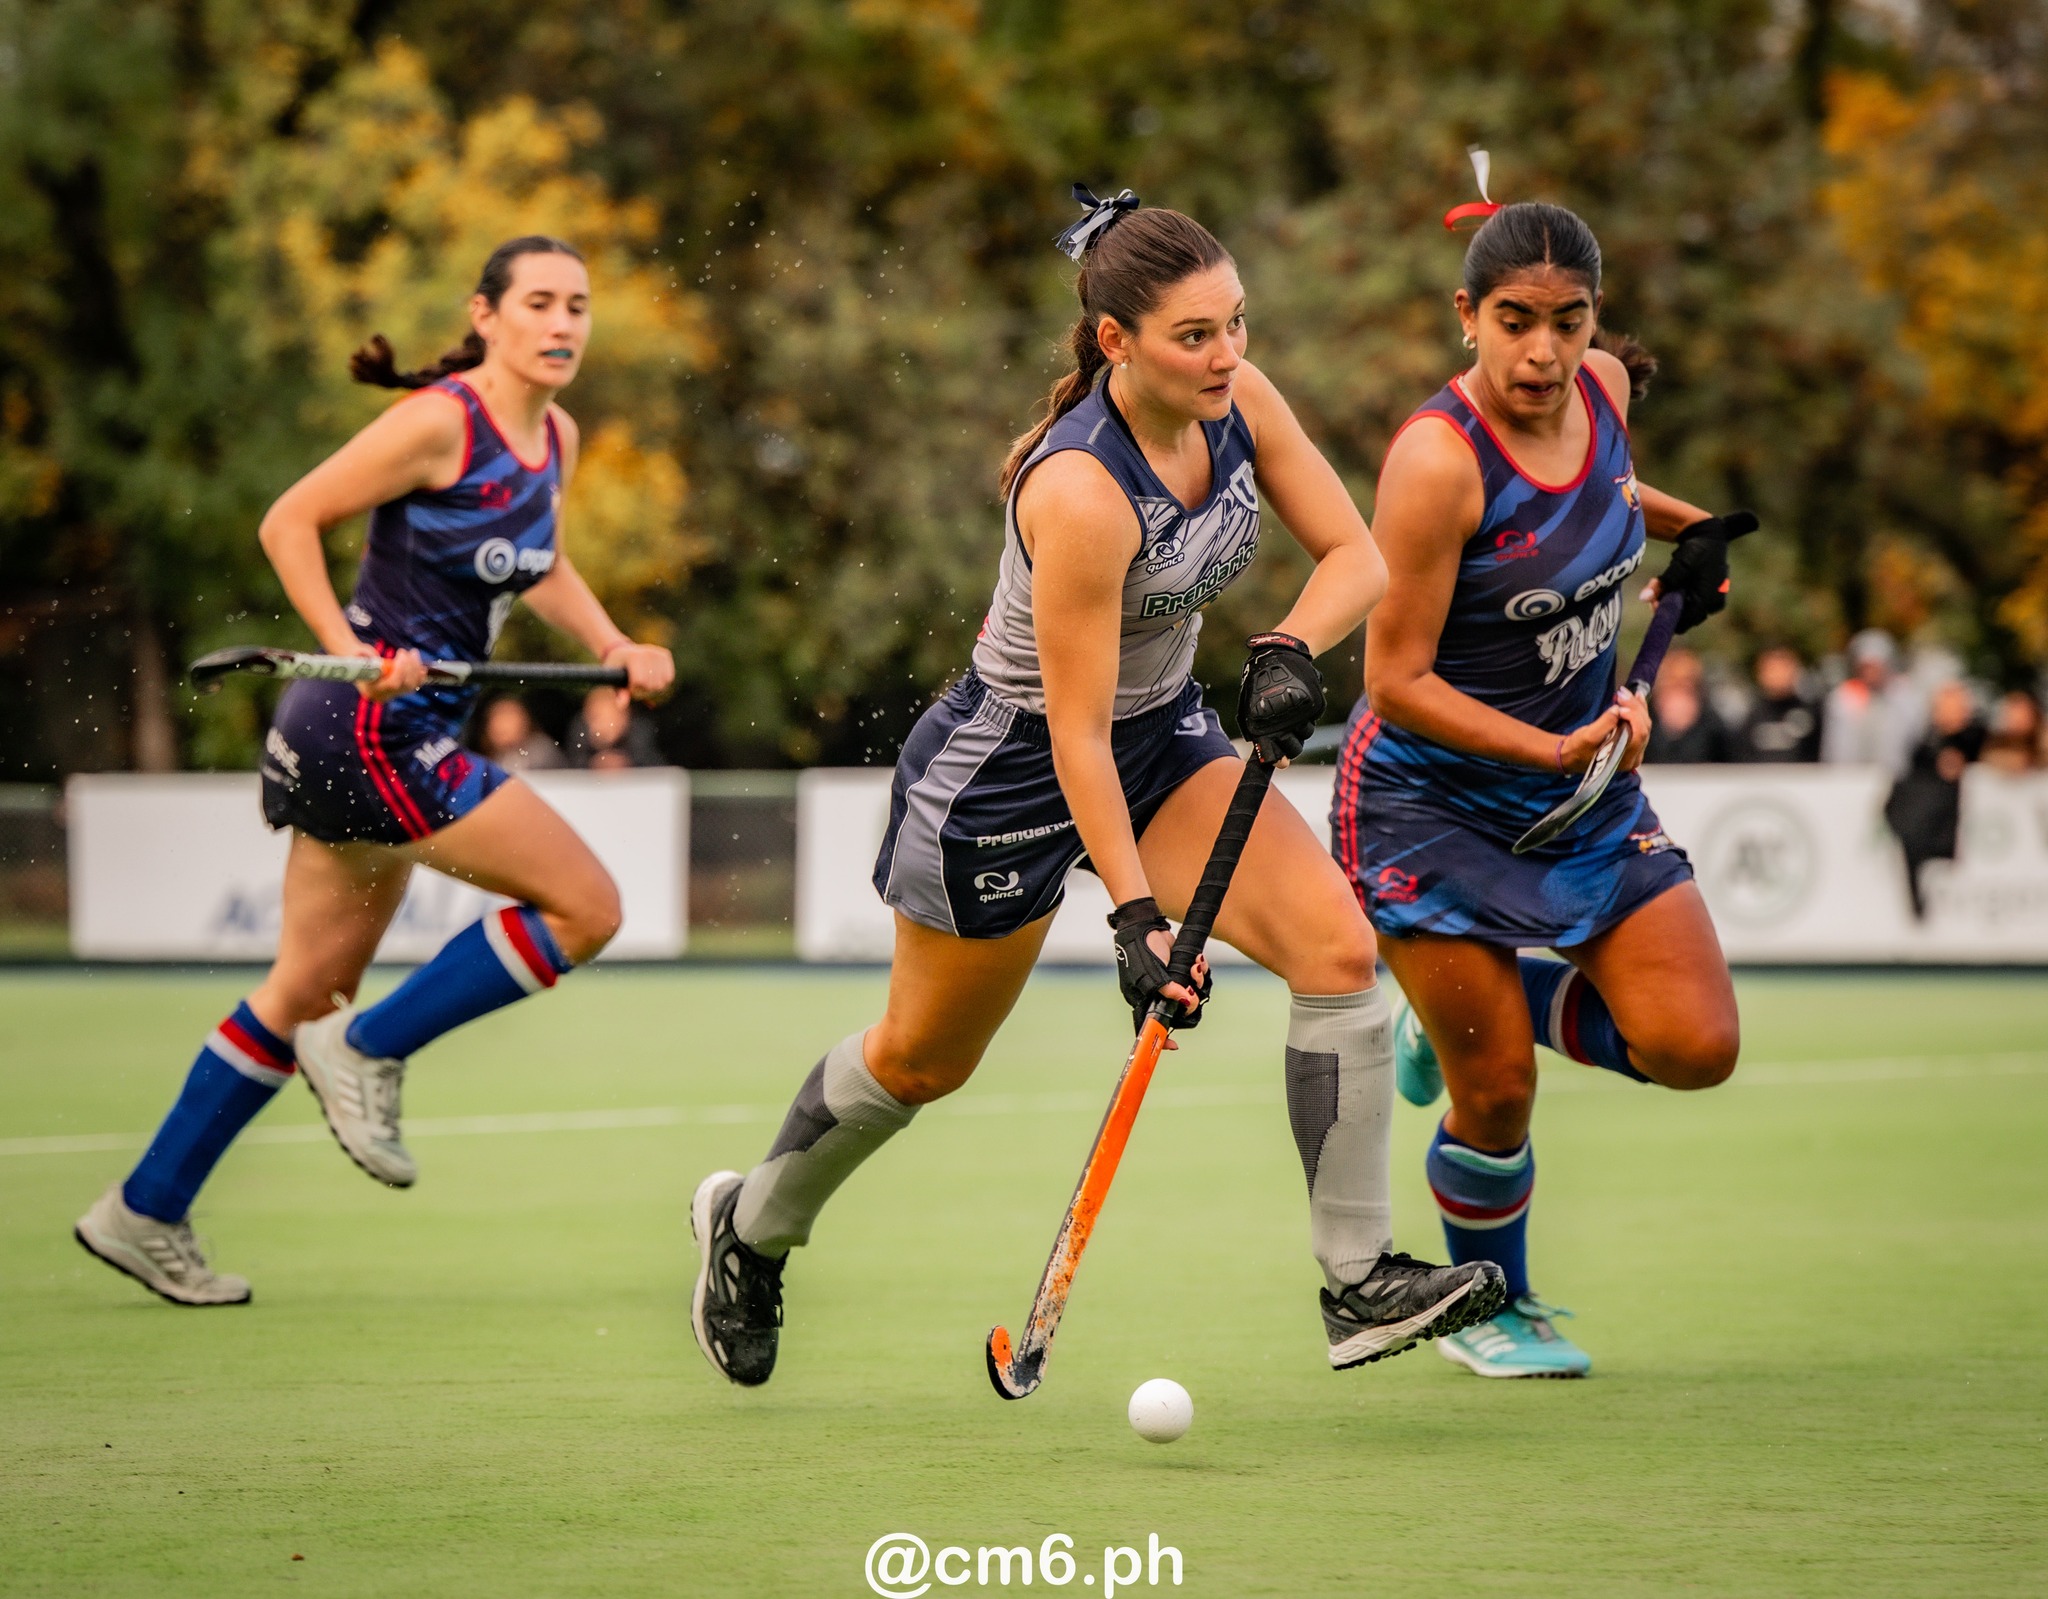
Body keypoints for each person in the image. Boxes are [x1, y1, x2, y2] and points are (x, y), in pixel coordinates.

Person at [688, 188, 1503, 1388]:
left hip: (1161, 738)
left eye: (1233, 323)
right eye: (1193, 335)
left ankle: (1356, 1280)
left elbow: (1355, 558)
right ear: (1115, 341)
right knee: (921, 1062)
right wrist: (1136, 921)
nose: (1225, 353)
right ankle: (749, 1229)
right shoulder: (1077, 489)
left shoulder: (1239, 400)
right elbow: (1070, 736)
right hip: (1009, 768)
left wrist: (1282, 647)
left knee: (1335, 952)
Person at [74, 237, 675, 1305]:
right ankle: (367, 1048)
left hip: (368, 734)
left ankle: (146, 1206)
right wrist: (345, 645)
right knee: (585, 908)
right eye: (537, 302)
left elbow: (540, 564)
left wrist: (614, 644)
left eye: (577, 305)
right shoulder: (440, 420)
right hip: (369, 728)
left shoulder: (557, 440)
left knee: (301, 986)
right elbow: (288, 519)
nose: (562, 323)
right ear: (483, 315)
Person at [1330, 199, 1744, 1378]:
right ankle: (1491, 1307)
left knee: (1693, 1044)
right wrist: (1550, 750)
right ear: (1465, 317)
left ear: (1594, 323)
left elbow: (1604, 499)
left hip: (1580, 791)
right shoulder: (1434, 462)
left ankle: (1469, 1005)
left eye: (1567, 324)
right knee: (1496, 1091)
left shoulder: (1601, 393)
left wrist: (1689, 528)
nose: (1541, 354)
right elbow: (1394, 679)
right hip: (1431, 805)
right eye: (1513, 323)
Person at [1883, 679, 1986, 917]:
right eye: (1944, 705)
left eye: (1955, 705)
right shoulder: (1923, 745)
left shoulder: (1980, 738)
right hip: (1929, 835)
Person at [1822, 628, 1923, 774]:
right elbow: (1834, 748)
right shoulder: (1844, 697)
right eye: (1865, 667)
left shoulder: (1906, 697)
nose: (1870, 673)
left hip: (1894, 779)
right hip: (1850, 780)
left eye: (1875, 666)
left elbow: (1913, 741)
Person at [1643, 646, 1733, 763]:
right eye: (1672, 680)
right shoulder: (1642, 717)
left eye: (1686, 681)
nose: (1679, 688)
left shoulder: (1713, 725)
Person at [1734, 645, 1821, 762]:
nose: (1779, 674)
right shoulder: (1751, 715)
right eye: (1772, 669)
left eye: (1784, 667)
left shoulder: (1812, 712)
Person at [566, 684, 662, 770]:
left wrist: (625, 763)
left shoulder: (640, 735)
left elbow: (653, 768)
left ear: (624, 716)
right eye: (596, 717)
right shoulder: (580, 736)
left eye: (607, 717)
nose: (601, 724)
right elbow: (574, 766)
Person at [479, 695, 565, 772]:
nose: (501, 726)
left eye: (508, 719)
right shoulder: (490, 756)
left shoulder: (541, 751)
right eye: (495, 720)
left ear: (525, 722)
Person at [1980, 689, 2043, 775]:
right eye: (2012, 713)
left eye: (2022, 713)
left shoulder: (2040, 739)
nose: (2017, 719)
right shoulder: (1996, 740)